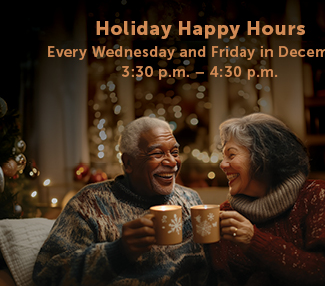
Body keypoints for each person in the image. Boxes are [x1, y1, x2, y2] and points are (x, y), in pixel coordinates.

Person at [33, 117, 214, 285]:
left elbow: (209, 271)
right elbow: (46, 276)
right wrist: (118, 252)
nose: (172, 162)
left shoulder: (190, 199)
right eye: (158, 154)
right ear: (128, 163)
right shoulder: (89, 203)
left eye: (174, 152)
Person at [211, 113, 325, 286]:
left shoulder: (318, 196)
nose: (222, 164)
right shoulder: (226, 213)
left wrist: (254, 241)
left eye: (231, 155)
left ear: (264, 157)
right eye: (224, 156)